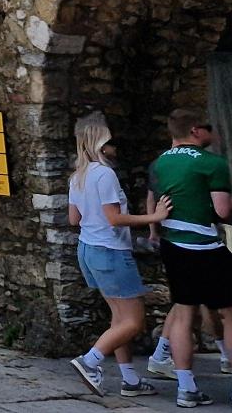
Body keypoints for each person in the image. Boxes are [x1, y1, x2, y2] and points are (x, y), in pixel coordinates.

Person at [146, 108, 232, 409]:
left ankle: (186, 388)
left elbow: (164, 201)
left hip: (174, 244)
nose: (215, 133)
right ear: (196, 130)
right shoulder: (213, 163)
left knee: (184, 314)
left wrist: (155, 228)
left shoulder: (160, 163)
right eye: (210, 128)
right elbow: (222, 211)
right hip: (205, 247)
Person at [65, 112, 172, 398]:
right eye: (111, 140)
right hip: (110, 252)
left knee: (119, 319)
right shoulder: (105, 174)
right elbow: (114, 218)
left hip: (88, 250)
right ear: (101, 142)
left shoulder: (78, 176)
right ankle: (90, 361)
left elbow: (74, 219)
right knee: (134, 321)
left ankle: (130, 380)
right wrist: (155, 216)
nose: (115, 146)